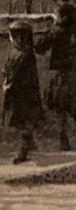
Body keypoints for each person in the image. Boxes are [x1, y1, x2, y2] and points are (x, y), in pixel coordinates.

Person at [35, 2, 76, 150]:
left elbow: (40, 46)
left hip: (62, 77)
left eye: (57, 15)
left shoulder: (58, 32)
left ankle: (64, 139)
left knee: (61, 110)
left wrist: (51, 28)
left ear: (63, 18)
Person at [2, 20, 43, 164]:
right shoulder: (16, 52)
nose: (11, 39)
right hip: (17, 94)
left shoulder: (25, 55)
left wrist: (9, 85)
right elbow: (8, 68)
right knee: (22, 123)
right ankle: (28, 143)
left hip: (23, 95)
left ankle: (23, 150)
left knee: (23, 122)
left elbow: (21, 75)